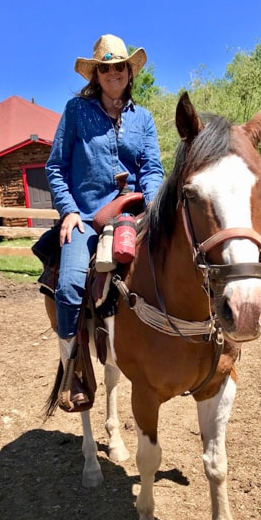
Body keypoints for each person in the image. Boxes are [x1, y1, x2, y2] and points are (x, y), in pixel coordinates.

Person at [45, 33, 164, 407]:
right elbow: (55, 167)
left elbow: (153, 169)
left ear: (130, 72)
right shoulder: (75, 112)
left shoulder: (142, 118)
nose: (113, 73)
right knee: (68, 289)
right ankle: (73, 369)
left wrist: (155, 206)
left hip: (134, 213)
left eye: (120, 67)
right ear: (95, 75)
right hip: (86, 217)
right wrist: (67, 211)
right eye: (105, 68)